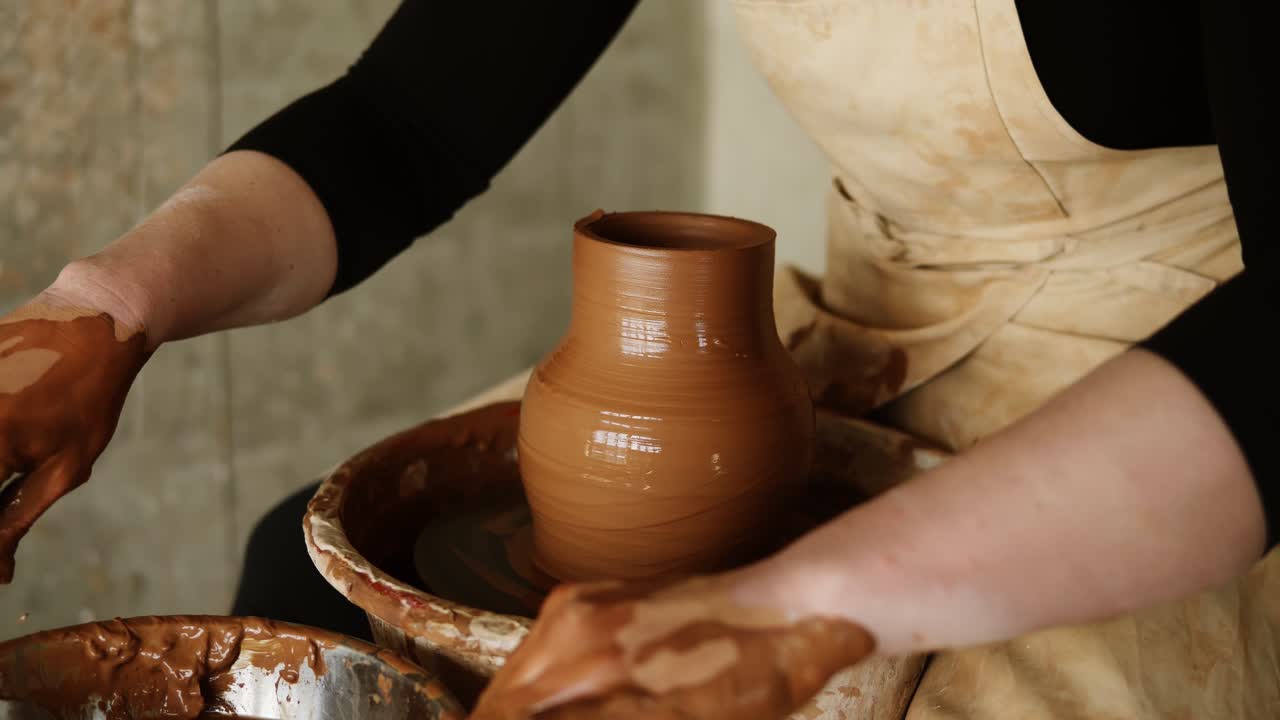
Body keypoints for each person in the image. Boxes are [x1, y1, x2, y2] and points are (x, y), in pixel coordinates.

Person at [1, 1, 1273, 718]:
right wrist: (108, 302)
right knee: (305, 574)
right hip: (862, 316)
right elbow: (405, 125)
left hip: (1171, 399)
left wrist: (795, 610)